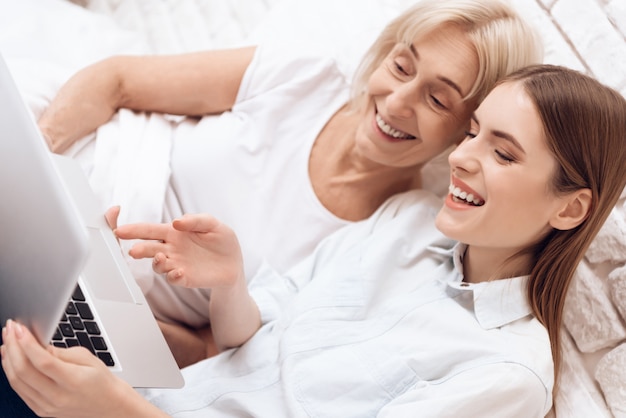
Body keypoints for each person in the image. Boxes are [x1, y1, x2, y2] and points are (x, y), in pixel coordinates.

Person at [3, 64, 626, 417]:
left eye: (503, 153)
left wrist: (115, 412)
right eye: (472, 133)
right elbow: (253, 338)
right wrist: (229, 283)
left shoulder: (506, 376)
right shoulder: (408, 219)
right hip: (135, 395)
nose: (463, 159)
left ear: (570, 208)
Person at [34, 0, 542, 366]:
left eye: (437, 100)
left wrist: (104, 315)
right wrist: (37, 163)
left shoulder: (387, 236)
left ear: (468, 128)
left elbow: (219, 350)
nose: (395, 102)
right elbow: (117, 79)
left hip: (83, 292)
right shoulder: (307, 76)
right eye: (401, 65)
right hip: (59, 162)